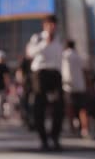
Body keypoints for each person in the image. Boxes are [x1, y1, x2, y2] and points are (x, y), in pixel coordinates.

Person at [26, 15, 64, 151]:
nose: (52, 27)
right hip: (40, 73)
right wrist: (45, 43)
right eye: (49, 25)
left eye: (54, 24)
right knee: (39, 105)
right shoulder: (37, 37)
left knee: (59, 106)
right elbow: (29, 53)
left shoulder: (60, 39)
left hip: (56, 73)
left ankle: (55, 137)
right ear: (44, 25)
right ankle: (43, 139)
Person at [62, 40, 89, 138]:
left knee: (70, 108)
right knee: (82, 108)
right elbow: (85, 70)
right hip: (80, 85)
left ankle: (72, 128)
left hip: (69, 86)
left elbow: (65, 70)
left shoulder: (65, 55)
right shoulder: (79, 56)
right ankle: (84, 129)